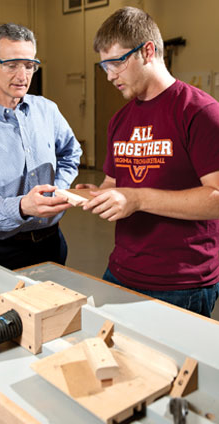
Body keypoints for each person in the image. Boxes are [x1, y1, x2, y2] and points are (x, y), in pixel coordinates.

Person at [76, 6, 219, 317]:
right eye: (104, 67)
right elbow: (115, 185)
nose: (110, 75)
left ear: (148, 51)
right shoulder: (119, 120)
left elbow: (217, 198)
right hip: (122, 270)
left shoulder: (200, 112)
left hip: (181, 282)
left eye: (116, 62)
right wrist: (94, 195)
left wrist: (137, 199)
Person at [0, 23, 82, 270]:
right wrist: (22, 206)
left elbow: (71, 152)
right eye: (12, 65)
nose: (22, 76)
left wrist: (58, 189)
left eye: (29, 66)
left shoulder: (47, 110)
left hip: (52, 244)